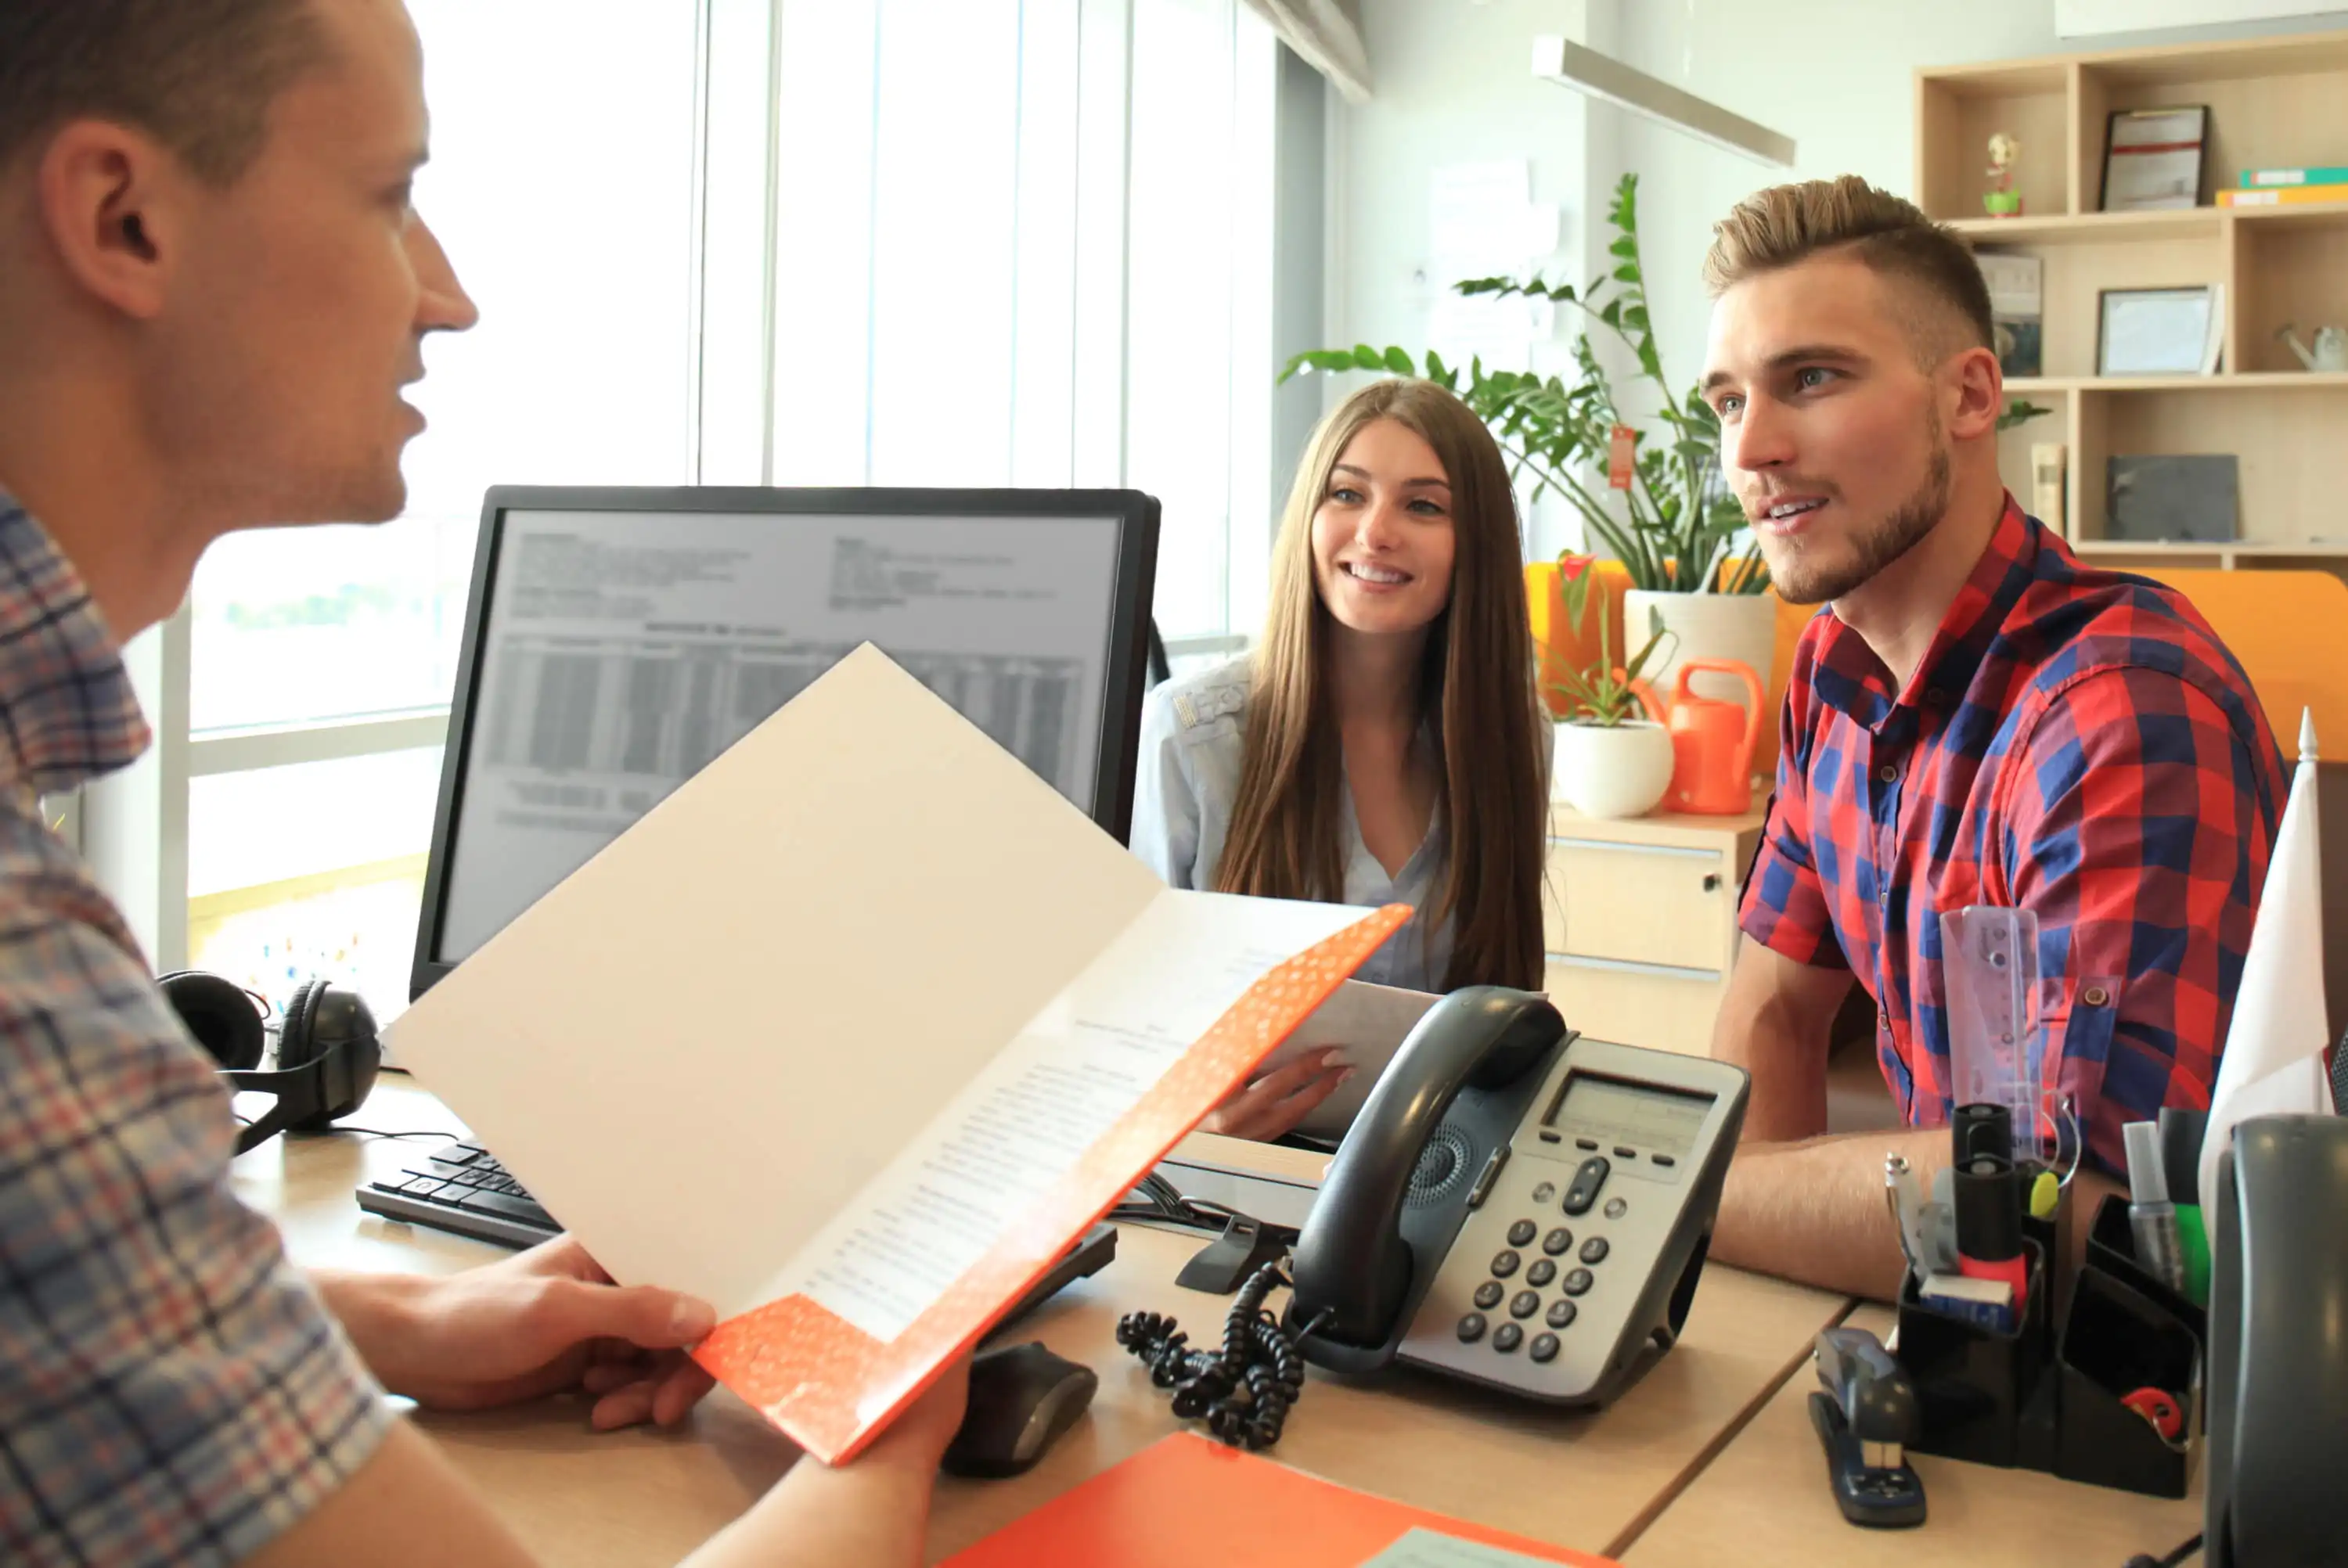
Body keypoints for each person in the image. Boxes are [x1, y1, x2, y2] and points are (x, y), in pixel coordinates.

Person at [0, 2, 967, 1563]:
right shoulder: (23, 984)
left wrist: (382, 1316)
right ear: (125, 220)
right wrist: (884, 1420)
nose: (449, 295)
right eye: (390, 195)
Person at [1694, 176, 2286, 1300]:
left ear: (1969, 396)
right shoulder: (1832, 673)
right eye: (1728, 401)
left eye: (1811, 379)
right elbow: (1775, 1007)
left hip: (2134, 1365)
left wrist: (1692, 1196)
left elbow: (2074, 1210)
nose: (1753, 447)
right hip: (1945, 1326)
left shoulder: (2121, 709)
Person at [1132, 379, 1551, 1142]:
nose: (1376, 532)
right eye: (1348, 494)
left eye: (1423, 506)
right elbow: (1126, 1032)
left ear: (1478, 545)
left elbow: (1506, 1012)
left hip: (1436, 1168)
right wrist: (1194, 1123)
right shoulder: (1192, 737)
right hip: (1238, 1172)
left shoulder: (1514, 738)